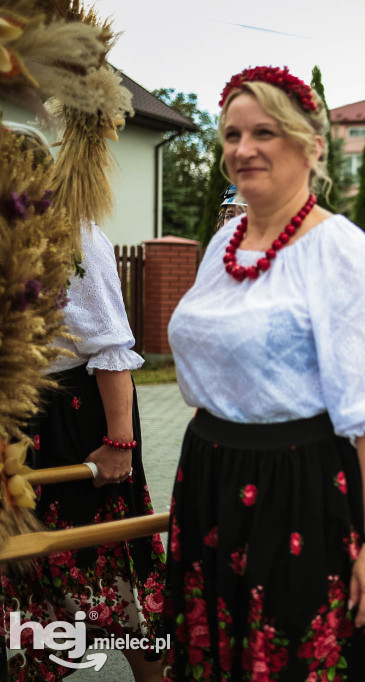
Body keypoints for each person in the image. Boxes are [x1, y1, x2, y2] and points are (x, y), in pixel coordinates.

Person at [165, 66, 365, 680]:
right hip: (210, 481)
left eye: (264, 132)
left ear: (312, 145)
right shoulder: (224, 246)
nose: (243, 149)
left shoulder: (341, 251)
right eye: (230, 135)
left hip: (298, 492)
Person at [0, 125, 166, 682]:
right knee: (30, 560)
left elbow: (111, 345)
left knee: (109, 563)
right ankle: (46, 658)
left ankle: (154, 673)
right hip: (21, 422)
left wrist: (119, 443)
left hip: (79, 416)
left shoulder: (74, 234)